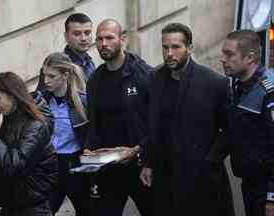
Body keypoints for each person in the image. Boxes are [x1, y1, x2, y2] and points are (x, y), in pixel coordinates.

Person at [140, 22, 234, 216]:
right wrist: (148, 163)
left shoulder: (214, 83)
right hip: (165, 176)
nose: (169, 53)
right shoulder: (154, 79)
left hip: (202, 179)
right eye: (165, 47)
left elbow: (230, 129)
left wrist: (210, 160)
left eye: (176, 47)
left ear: (189, 48)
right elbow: (152, 125)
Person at [85, 19, 153, 216]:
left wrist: (144, 155)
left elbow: (158, 124)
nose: (103, 43)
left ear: (122, 39)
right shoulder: (95, 80)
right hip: (108, 167)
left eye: (109, 38)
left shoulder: (144, 75)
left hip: (140, 165)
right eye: (99, 39)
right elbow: (94, 122)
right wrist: (89, 149)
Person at [0, 72, 58, 216]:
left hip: (32, 208)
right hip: (11, 205)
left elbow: (12, 167)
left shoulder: (35, 126)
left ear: (12, 95)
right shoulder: (6, 122)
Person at [221, 29, 274, 216]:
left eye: (229, 54)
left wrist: (271, 197)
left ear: (249, 58)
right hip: (249, 183)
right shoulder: (238, 86)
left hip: (265, 187)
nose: (223, 59)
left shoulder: (268, 93)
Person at [38, 52, 90, 216]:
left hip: (74, 163)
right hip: (50, 163)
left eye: (51, 76)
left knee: (85, 209)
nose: (46, 81)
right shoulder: (42, 101)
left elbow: (94, 132)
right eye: (44, 75)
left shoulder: (82, 101)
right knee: (43, 210)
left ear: (65, 75)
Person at [36, 13, 95, 91]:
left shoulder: (89, 62)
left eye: (87, 33)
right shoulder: (56, 65)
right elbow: (42, 98)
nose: (83, 38)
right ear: (66, 37)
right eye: (77, 34)